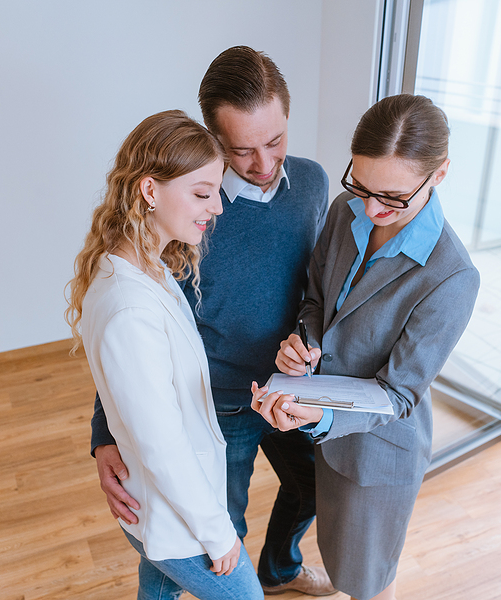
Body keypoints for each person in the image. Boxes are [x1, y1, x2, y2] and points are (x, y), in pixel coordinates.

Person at [90, 47, 334, 596]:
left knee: (316, 488)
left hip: (288, 391)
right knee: (218, 540)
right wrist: (105, 435)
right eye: (242, 150)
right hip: (216, 408)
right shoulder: (186, 211)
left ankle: (280, 569)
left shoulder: (312, 185)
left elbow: (313, 289)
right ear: (214, 139)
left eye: (275, 141)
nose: (264, 164)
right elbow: (130, 348)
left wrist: (308, 339)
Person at [252, 94, 480, 600]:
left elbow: (398, 395)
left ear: (440, 174)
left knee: (367, 581)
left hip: (375, 456)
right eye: (361, 184)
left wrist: (320, 415)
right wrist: (305, 343)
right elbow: (316, 298)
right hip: (321, 431)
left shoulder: (452, 277)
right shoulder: (345, 210)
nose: (372, 209)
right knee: (338, 558)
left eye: (393, 198)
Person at [66, 109, 263, 600]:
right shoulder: (130, 308)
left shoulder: (143, 268)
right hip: (175, 518)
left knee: (158, 592)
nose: (217, 208)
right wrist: (218, 533)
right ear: (150, 191)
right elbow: (162, 444)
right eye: (202, 193)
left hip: (167, 505)